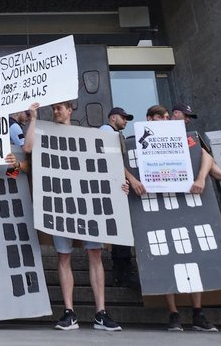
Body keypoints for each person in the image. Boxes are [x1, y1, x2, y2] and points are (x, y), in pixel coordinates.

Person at [23, 100, 125, 332]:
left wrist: (121, 185)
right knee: (64, 256)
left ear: (70, 111)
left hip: (87, 202)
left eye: (61, 107)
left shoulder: (87, 135)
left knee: (95, 254)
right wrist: (34, 117)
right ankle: (69, 312)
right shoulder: (44, 133)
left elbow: (105, 165)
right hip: (60, 203)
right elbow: (28, 148)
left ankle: (101, 312)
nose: (57, 111)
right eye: (55, 108)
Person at [162, 103, 221, 332]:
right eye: (186, 116)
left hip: (191, 204)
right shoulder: (153, 137)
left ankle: (197, 312)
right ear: (174, 114)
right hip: (162, 205)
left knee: (194, 256)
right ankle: (173, 313)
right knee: (166, 257)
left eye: (190, 117)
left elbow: (209, 161)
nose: (188, 120)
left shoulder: (192, 139)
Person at [97, 106, 143, 290]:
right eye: (123, 118)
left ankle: (121, 272)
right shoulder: (107, 131)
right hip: (112, 187)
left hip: (116, 185)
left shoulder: (113, 133)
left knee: (121, 230)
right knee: (121, 230)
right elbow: (112, 159)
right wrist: (130, 178)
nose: (125, 121)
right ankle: (123, 272)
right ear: (113, 117)